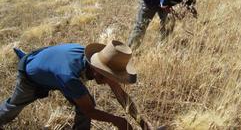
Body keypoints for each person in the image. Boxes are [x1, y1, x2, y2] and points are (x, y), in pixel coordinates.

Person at [0, 40, 145, 130]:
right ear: (96, 70)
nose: (111, 81)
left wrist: (144, 125)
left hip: (53, 68)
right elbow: (89, 111)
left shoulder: (95, 61)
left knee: (86, 103)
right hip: (30, 75)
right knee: (12, 108)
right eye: (110, 76)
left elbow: (122, 96)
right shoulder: (70, 77)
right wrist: (118, 121)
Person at [127, 0, 204, 49]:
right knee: (141, 26)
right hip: (149, 0)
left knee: (169, 23)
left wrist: (190, 13)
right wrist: (176, 14)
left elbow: (188, 5)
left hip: (163, 2)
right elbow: (164, 5)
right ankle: (130, 50)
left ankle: (161, 47)